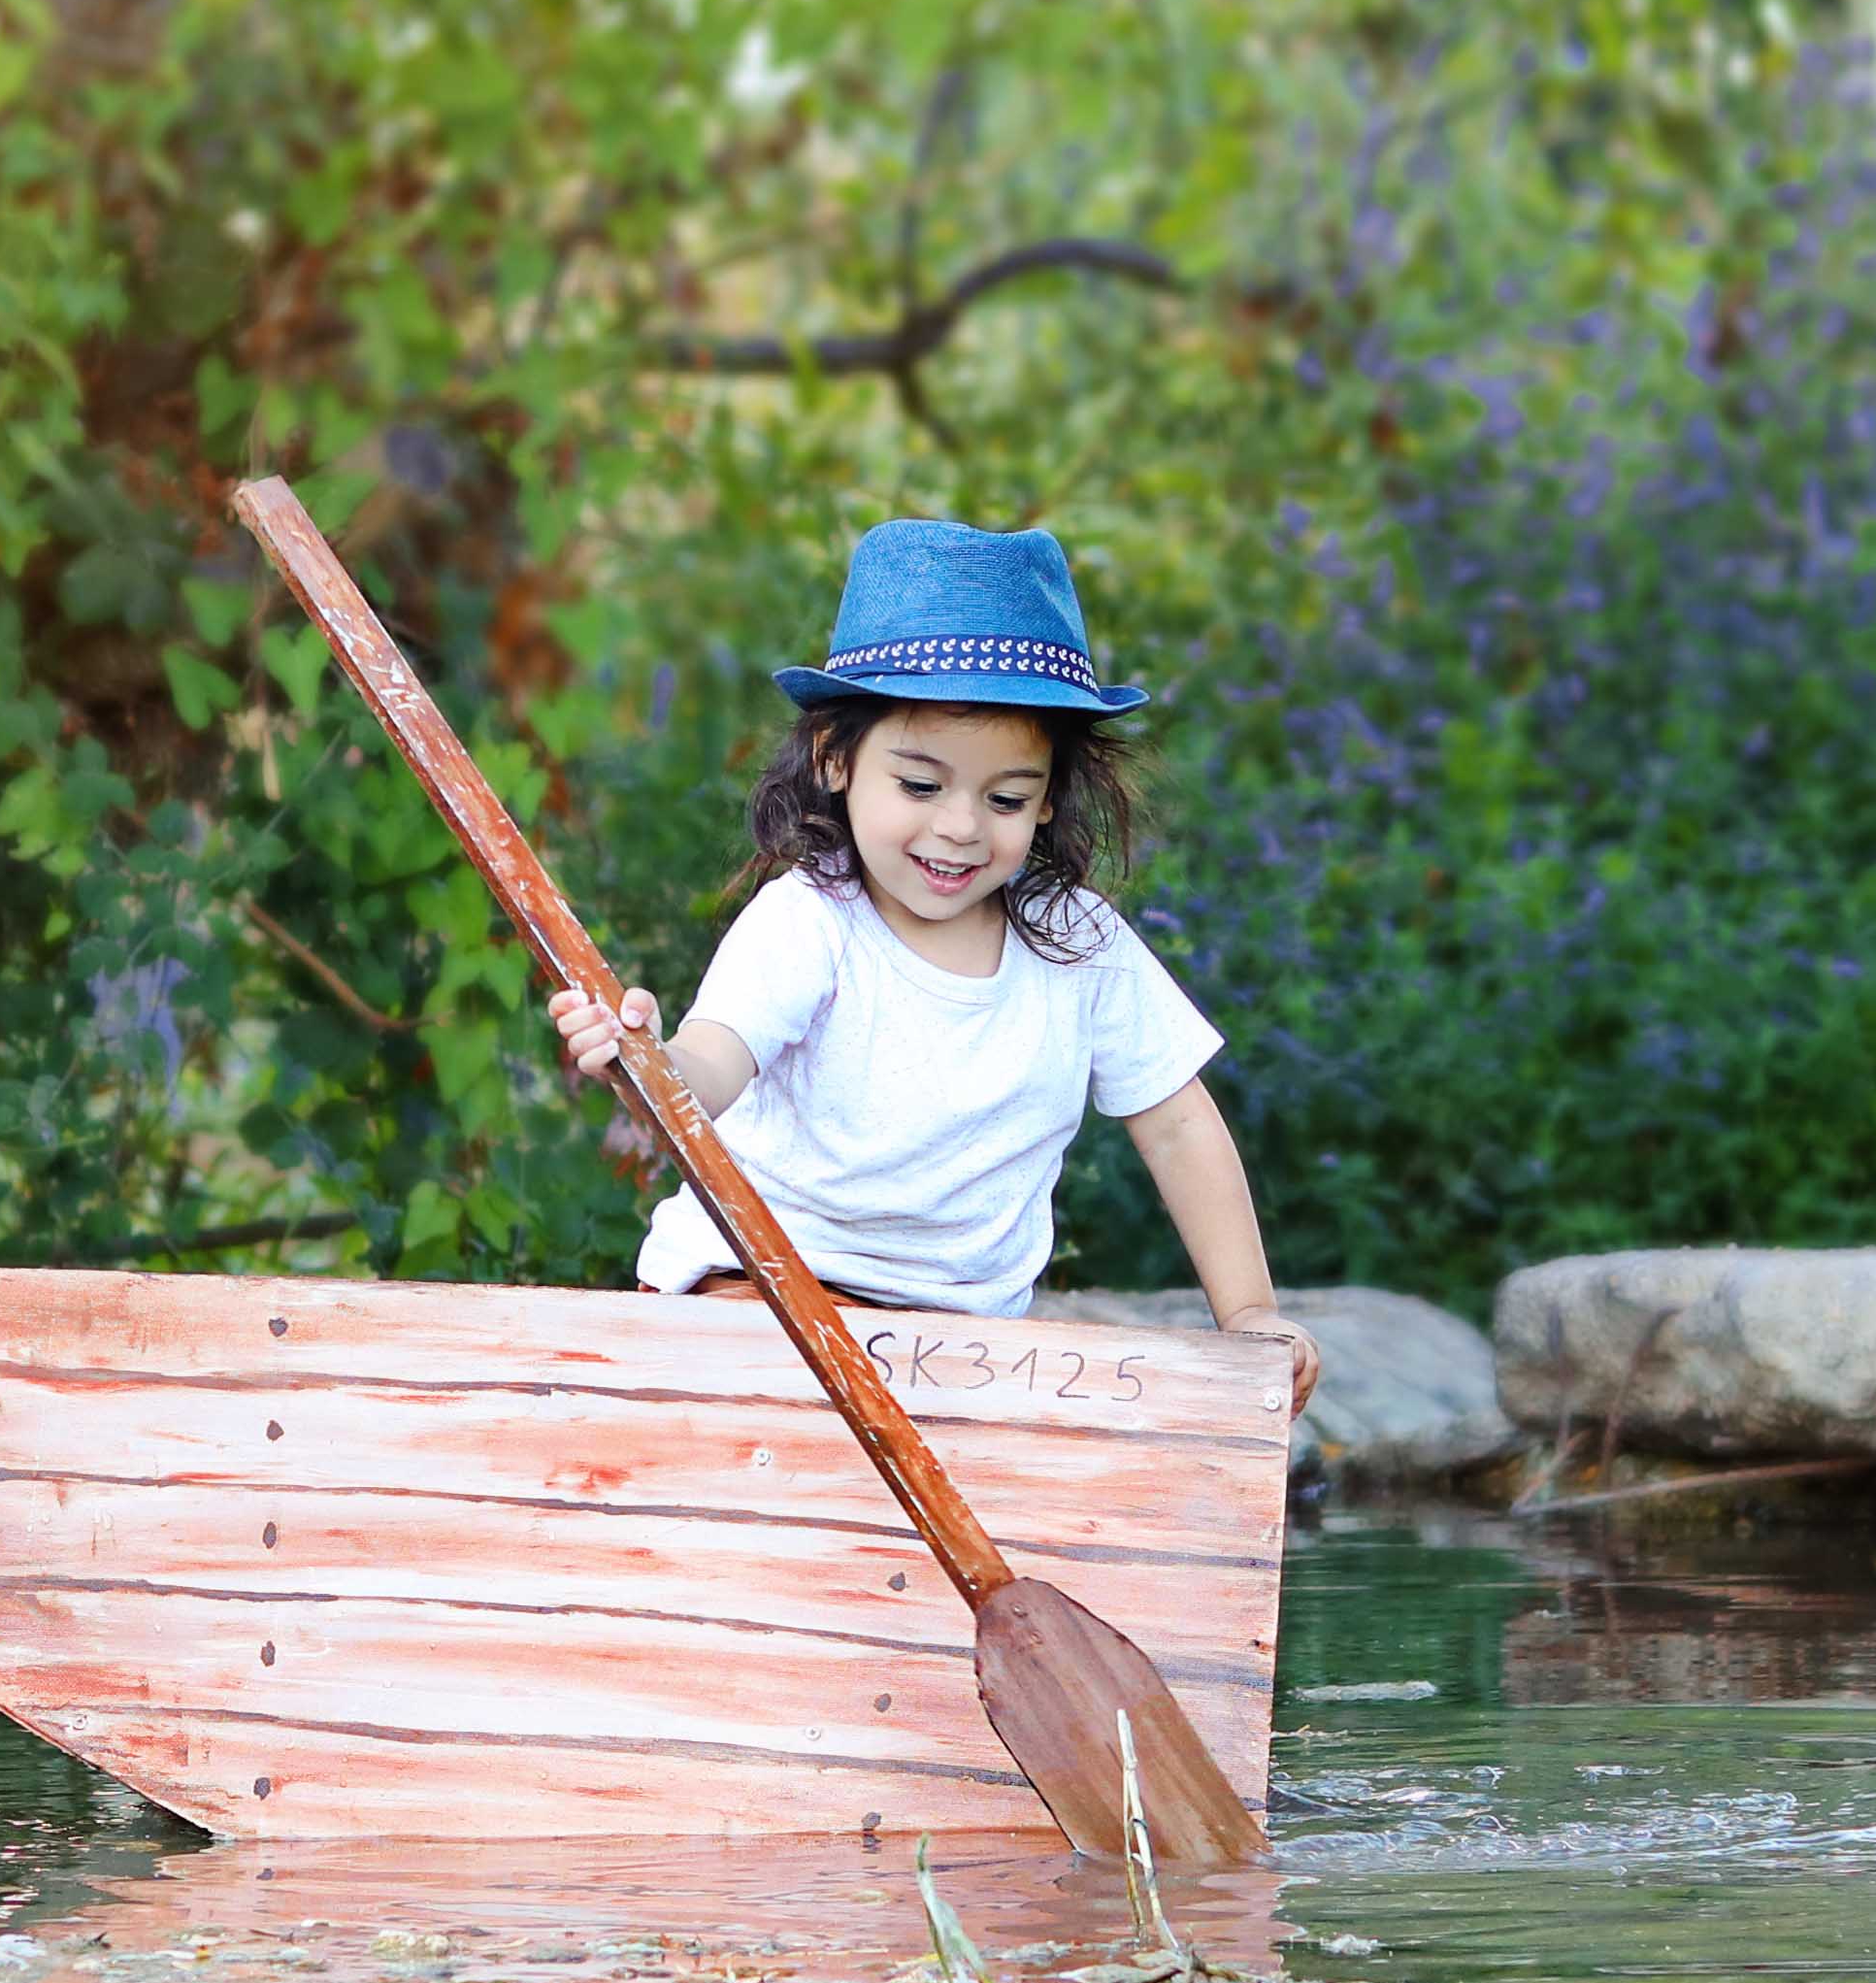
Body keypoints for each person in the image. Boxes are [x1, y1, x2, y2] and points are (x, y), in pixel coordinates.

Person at [546, 517, 1318, 1408]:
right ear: (837, 759)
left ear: (1049, 798)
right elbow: (710, 1067)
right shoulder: (812, 920)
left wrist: (1250, 1311)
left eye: (1006, 798)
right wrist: (648, 1062)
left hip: (958, 1348)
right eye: (920, 785)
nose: (959, 827)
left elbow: (1178, 1124)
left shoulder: (1080, 942)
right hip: (757, 1297)